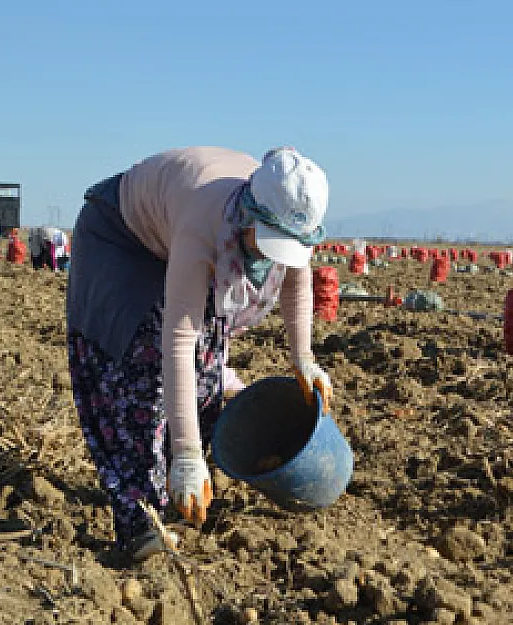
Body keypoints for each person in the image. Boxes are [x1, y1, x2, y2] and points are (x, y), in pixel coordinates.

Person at [65, 146, 334, 560]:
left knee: (207, 376)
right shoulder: (202, 227)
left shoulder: (292, 209)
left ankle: (181, 492)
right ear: (248, 215)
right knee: (138, 376)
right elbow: (179, 338)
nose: (270, 254)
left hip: (168, 232)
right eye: (267, 242)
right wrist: (187, 453)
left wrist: (303, 356)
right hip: (119, 241)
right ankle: (142, 526)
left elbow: (297, 282)